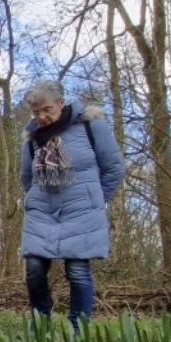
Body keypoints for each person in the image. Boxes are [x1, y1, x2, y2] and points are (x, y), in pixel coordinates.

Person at [20, 80, 125, 328]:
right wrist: (35, 199)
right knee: (34, 269)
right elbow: (26, 176)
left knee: (77, 271)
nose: (42, 117)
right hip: (42, 211)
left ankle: (78, 331)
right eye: (36, 112)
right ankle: (41, 323)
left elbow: (114, 168)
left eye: (47, 109)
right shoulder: (32, 136)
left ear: (60, 103)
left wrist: (94, 199)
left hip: (82, 211)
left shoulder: (90, 125)